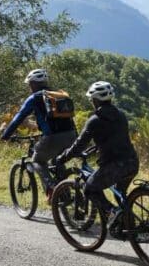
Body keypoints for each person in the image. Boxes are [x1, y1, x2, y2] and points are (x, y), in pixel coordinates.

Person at [53, 81, 138, 232]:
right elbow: (113, 139)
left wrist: (62, 158)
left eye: (91, 99)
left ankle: (113, 213)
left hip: (114, 166)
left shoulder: (94, 120)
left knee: (90, 189)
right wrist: (96, 148)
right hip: (132, 162)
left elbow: (79, 145)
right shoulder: (121, 115)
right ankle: (130, 225)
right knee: (120, 194)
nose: (91, 101)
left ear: (95, 100)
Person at [0, 68, 77, 192]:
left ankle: (51, 189)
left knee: (37, 161)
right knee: (57, 160)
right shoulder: (59, 95)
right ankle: (64, 192)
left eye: (30, 84)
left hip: (53, 137)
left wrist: (5, 135)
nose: (29, 87)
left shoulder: (34, 98)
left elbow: (19, 117)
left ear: (34, 84)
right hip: (72, 135)